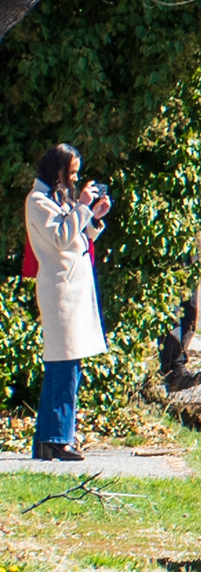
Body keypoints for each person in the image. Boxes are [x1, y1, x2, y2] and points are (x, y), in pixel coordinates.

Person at [24, 145, 109, 462]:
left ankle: (47, 440)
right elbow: (60, 238)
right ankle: (58, 439)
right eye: (71, 172)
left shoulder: (60, 201)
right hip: (59, 291)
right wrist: (83, 207)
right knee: (64, 364)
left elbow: (78, 237)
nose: (74, 178)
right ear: (56, 170)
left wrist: (93, 216)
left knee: (65, 364)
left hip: (73, 290)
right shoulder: (37, 201)